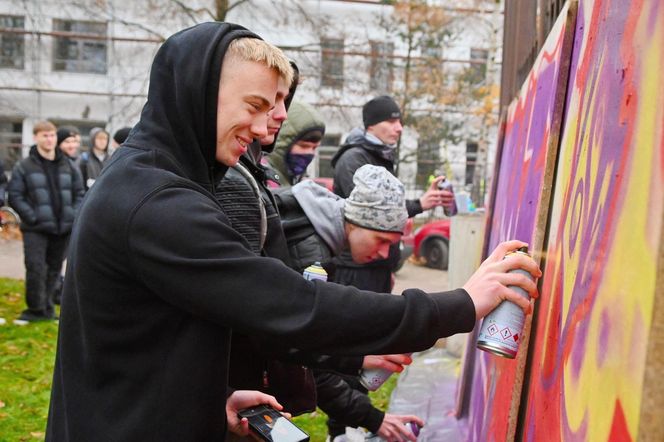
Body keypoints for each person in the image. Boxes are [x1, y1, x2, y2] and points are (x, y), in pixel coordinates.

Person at [46, 23, 540, 442]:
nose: (266, 130)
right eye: (255, 105)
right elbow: (291, 305)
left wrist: (208, 402)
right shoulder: (157, 201)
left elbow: (140, 340)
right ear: (196, 93)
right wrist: (460, 304)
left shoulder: (148, 180)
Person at [274, 164, 425, 441]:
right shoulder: (311, 256)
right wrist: (373, 418)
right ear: (354, 222)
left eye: (390, 245)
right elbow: (304, 352)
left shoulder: (317, 239)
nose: (382, 253)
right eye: (380, 240)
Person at [331, 95, 455, 293]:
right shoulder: (353, 158)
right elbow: (375, 214)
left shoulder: (381, 155)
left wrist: (387, 267)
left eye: (400, 121)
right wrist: (420, 204)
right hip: (356, 269)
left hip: (376, 267)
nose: (399, 128)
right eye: (390, 121)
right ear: (370, 125)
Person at [7, 121, 85, 324]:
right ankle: (35, 309)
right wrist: (32, 217)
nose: (49, 140)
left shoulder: (68, 165)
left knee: (54, 269)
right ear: (36, 137)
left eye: (52, 135)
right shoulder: (24, 166)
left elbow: (80, 193)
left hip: (62, 228)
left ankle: (48, 308)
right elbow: (15, 195)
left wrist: (72, 216)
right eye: (45, 136)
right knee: (35, 267)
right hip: (36, 228)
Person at [264, 100, 325, 188]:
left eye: (314, 148)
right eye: (304, 146)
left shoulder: (293, 180)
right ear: (282, 141)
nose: (310, 153)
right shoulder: (265, 179)